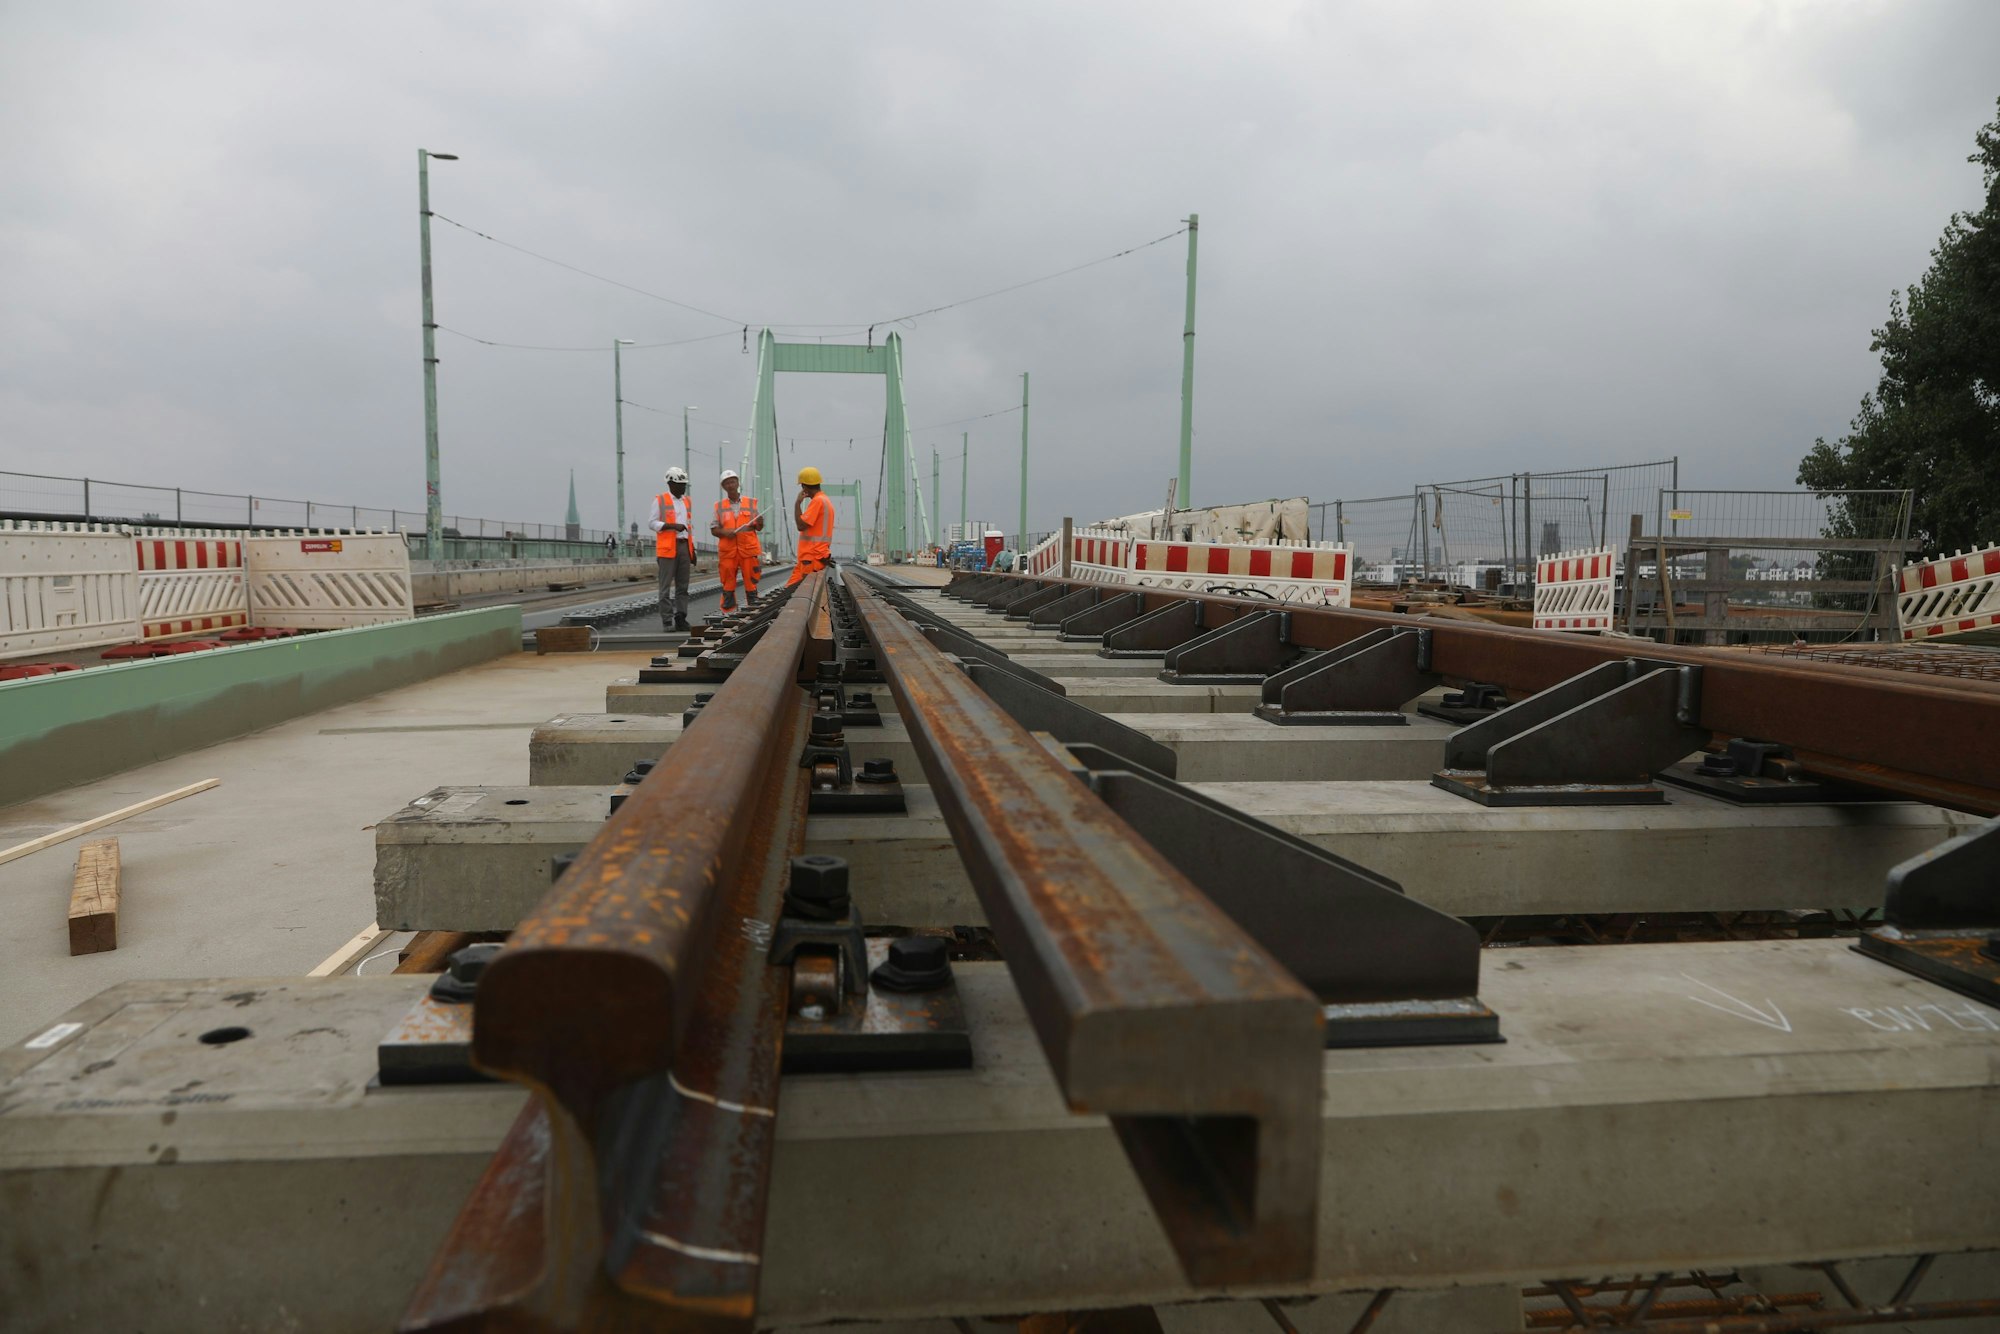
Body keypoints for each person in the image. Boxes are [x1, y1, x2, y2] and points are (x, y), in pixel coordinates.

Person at [649, 466, 698, 631]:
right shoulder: (660, 500)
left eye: (684, 484)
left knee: (683, 586)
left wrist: (693, 550)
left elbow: (689, 526)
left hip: (684, 546)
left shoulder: (687, 501)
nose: (683, 487)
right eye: (680, 484)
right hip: (668, 549)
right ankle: (667, 620)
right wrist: (670, 525)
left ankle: (681, 617)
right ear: (670, 483)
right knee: (665, 588)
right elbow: (652, 523)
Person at [710, 468, 765, 611]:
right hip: (728, 552)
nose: (730, 485)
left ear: (737, 483)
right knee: (727, 584)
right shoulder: (719, 506)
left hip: (747, 550)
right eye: (727, 483)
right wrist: (724, 532)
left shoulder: (751, 503)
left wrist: (760, 522)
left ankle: (752, 611)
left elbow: (759, 527)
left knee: (751, 583)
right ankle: (728, 614)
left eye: (732, 482)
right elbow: (714, 529)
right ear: (723, 486)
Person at [786, 466, 834, 587]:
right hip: (811, 558)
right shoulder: (826, 500)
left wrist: (797, 503)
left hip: (812, 558)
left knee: (802, 596)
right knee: (789, 590)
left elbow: (801, 525)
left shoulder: (817, 501)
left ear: (804, 487)